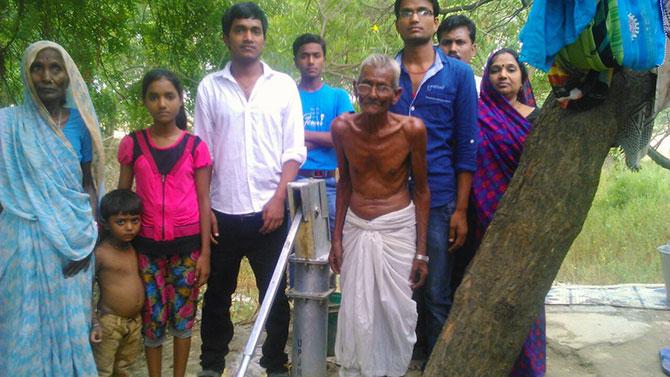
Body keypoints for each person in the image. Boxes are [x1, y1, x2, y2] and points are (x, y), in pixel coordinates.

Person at [194, 3, 306, 376]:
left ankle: (275, 364)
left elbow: (294, 150)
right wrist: (205, 207)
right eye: (240, 30)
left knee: (274, 298)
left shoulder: (283, 86)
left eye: (255, 30)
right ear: (227, 37)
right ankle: (212, 366)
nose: (248, 37)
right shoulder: (211, 87)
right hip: (222, 213)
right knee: (217, 299)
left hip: (269, 213)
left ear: (263, 37)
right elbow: (203, 156)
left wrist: (278, 199)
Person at [0, 40, 104, 376]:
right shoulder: (8, 126)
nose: (46, 76)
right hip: (20, 245)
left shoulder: (80, 125)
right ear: (26, 74)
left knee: (72, 328)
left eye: (55, 67)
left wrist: (88, 239)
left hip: (70, 247)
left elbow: (88, 183)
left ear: (67, 75)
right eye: (37, 67)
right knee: (20, 328)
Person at [329, 53, 430, 377]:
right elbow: (344, 182)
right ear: (356, 88)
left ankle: (390, 371)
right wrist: (336, 239)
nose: (373, 94)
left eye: (382, 87)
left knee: (395, 312)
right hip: (357, 227)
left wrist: (421, 253)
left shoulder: (412, 130)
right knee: (357, 311)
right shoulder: (342, 128)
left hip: (397, 228)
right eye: (367, 85)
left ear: (396, 94)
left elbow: (423, 190)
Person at [391, 0, 479, 360]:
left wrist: (461, 209)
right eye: (407, 12)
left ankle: (437, 363)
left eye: (423, 11)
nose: (415, 18)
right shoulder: (385, 71)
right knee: (398, 288)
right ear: (397, 22)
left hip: (441, 200)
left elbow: (466, 145)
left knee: (438, 291)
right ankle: (403, 357)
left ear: (435, 21)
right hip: (392, 201)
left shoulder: (457, 75)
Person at [118, 68, 212, 377]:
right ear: (145, 101)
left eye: (169, 96)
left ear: (179, 100)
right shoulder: (134, 145)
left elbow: (203, 200)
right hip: (146, 251)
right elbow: (122, 200)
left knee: (184, 320)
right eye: (154, 97)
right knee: (152, 318)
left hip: (187, 251)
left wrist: (205, 255)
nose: (162, 104)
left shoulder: (195, 147)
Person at [474, 48, 544, 376]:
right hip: (480, 220)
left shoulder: (537, 117)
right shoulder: (476, 113)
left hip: (522, 224)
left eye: (511, 69)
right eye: (496, 70)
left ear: (522, 77)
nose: (503, 75)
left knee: (521, 296)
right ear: (487, 78)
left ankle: (527, 367)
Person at [293, 33, 354, 232]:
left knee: (334, 249)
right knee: (299, 252)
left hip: (330, 184)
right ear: (296, 61)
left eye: (316, 55)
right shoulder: (287, 96)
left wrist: (302, 135)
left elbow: (344, 138)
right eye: (304, 56)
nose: (311, 61)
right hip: (295, 180)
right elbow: (281, 143)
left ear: (324, 59)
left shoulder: (339, 96)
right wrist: (327, 138)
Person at [90, 189, 145, 377]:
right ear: (105, 224)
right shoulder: (101, 253)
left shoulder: (134, 248)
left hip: (134, 322)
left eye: (134, 221)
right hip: (110, 322)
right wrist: (94, 321)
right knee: (103, 369)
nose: (129, 227)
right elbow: (86, 288)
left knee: (124, 368)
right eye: (121, 222)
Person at [437, 14, 482, 93]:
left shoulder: (482, 90)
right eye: (447, 43)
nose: (452, 49)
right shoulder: (424, 85)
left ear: (473, 49)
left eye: (460, 42)